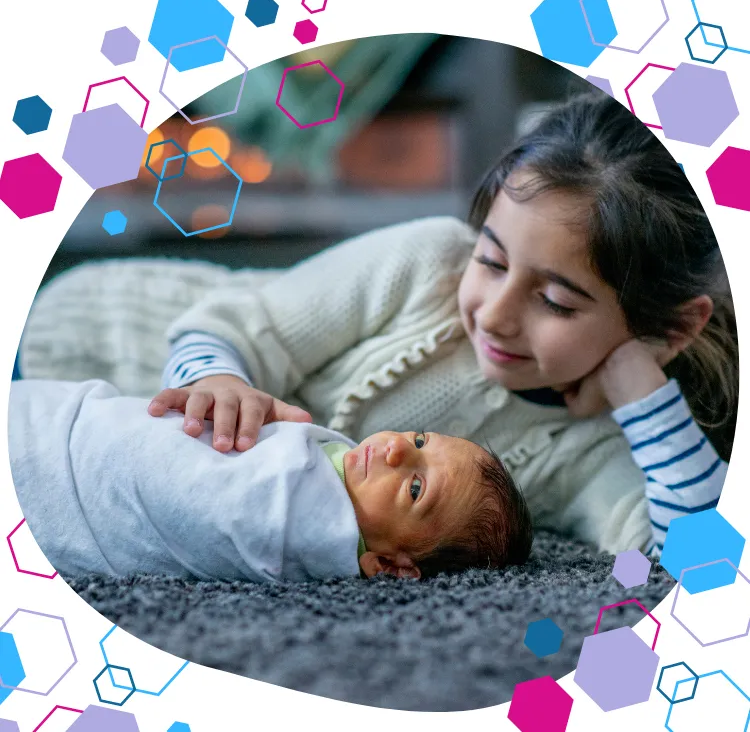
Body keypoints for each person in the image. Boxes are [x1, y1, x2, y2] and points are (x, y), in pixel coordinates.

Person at [18, 91, 737, 558]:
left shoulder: (595, 450)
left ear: (668, 330)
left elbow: (698, 559)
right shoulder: (428, 262)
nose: (493, 312)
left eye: (555, 301)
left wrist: (640, 388)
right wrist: (216, 379)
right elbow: (234, 324)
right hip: (92, 339)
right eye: (491, 260)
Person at [8, 378, 532, 583]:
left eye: (415, 488)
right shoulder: (339, 466)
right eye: (420, 440)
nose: (396, 447)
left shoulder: (298, 521)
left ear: (392, 566)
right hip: (74, 418)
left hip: (54, 476)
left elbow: (193, 498)